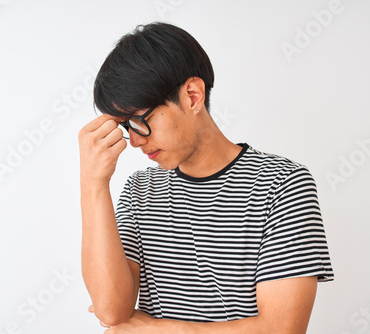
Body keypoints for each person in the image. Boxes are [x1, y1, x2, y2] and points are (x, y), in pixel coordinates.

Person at [79, 22, 334, 333]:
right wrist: (93, 184)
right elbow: (111, 311)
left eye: (139, 120)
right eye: (125, 126)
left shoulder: (281, 184)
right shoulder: (139, 190)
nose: (134, 140)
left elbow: (282, 329)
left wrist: (155, 329)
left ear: (193, 96)